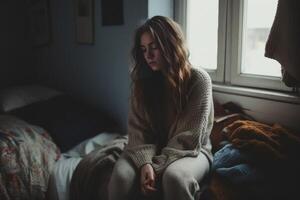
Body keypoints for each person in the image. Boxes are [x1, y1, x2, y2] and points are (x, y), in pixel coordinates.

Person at [108, 15, 214, 200]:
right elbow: (138, 131)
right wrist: (144, 163)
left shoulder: (199, 80)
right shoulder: (142, 82)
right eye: (143, 49)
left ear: (170, 44)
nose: (148, 55)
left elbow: (187, 138)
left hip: (192, 150)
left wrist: (154, 168)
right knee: (121, 177)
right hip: (153, 147)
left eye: (154, 47)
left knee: (174, 178)